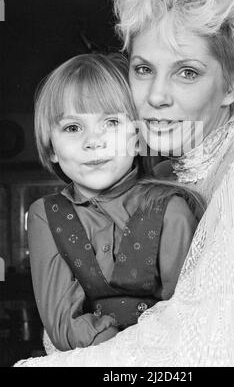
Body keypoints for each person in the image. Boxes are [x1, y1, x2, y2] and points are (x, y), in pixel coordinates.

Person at [15, 0, 234, 367]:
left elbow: (215, 348)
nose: (156, 95)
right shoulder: (157, 173)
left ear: (232, 84)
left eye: (187, 72)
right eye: (144, 69)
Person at [23, 52, 203, 352]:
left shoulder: (171, 209)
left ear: (136, 137)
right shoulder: (45, 215)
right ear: (51, 148)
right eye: (72, 127)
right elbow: (61, 324)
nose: (93, 141)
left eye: (110, 122)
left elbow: (187, 314)